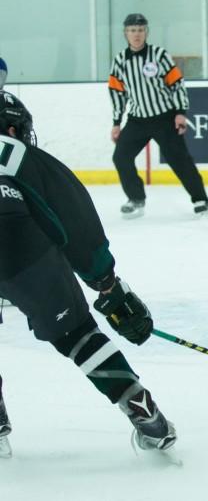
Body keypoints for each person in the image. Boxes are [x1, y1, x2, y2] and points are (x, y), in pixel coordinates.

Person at [0, 91, 176, 455]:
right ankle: (139, 407)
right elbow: (74, 223)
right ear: (13, 127)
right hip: (21, 247)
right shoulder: (24, 156)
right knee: (78, 334)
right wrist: (107, 284)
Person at [108, 13, 208, 219]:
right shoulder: (119, 61)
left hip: (164, 117)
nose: (136, 34)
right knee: (121, 157)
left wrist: (180, 113)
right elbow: (117, 93)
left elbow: (177, 84)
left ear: (146, 32)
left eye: (140, 30)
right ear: (125, 34)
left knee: (179, 159)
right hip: (137, 120)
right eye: (132, 30)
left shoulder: (159, 55)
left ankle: (200, 199)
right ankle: (136, 199)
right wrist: (116, 122)